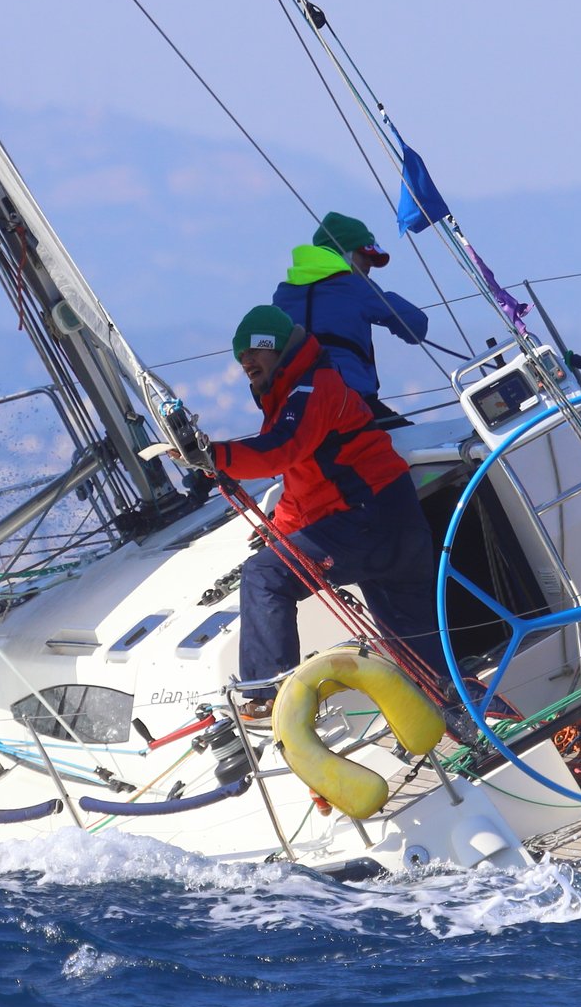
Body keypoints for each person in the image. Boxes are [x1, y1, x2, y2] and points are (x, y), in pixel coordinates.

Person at [192, 305, 448, 717]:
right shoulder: (293, 399)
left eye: (253, 352)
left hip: (370, 521)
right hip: (391, 524)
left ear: (274, 347)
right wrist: (280, 529)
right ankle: (467, 724)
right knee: (424, 667)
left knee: (266, 575)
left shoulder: (312, 388)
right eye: (241, 358)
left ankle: (268, 696)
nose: (245, 361)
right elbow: (302, 485)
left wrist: (215, 455)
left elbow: (279, 452)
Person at [272, 212, 428, 422]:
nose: (369, 266)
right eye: (364, 256)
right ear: (344, 255)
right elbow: (417, 327)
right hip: (349, 399)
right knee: (415, 441)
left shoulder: (283, 294)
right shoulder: (356, 288)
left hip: (295, 408)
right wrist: (380, 296)